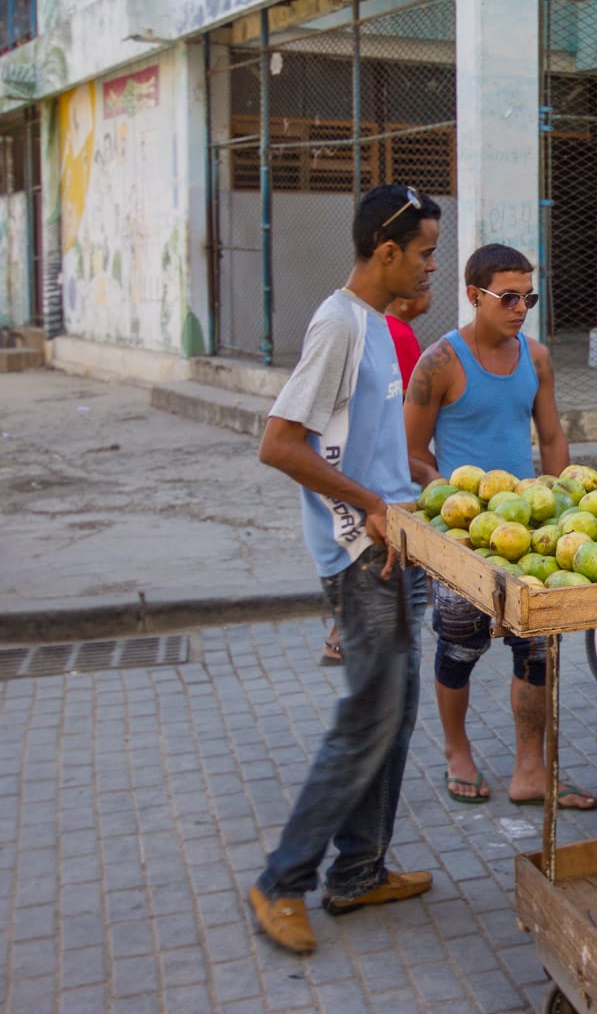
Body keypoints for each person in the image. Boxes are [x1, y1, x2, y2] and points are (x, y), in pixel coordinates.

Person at [250, 184, 440, 955]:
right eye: (425, 255)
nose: (433, 267)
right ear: (386, 253)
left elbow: (359, 430)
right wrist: (370, 502)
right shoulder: (337, 326)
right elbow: (280, 444)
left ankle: (358, 871)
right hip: (362, 558)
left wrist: (414, 482)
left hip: (396, 547)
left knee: (393, 718)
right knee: (366, 721)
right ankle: (280, 881)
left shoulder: (372, 324)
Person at [403, 244, 594, 810]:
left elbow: (553, 437)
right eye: (508, 297)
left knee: (536, 651)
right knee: (458, 649)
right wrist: (450, 502)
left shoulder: (535, 357)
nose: (520, 308)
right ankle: (457, 751)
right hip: (462, 536)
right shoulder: (440, 362)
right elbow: (411, 454)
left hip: (531, 531)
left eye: (528, 297)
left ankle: (529, 770)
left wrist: (568, 513)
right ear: (474, 296)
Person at [322, 284, 435, 667]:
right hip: (381, 519)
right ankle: (342, 635)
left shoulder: (379, 330)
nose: (430, 277)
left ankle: (342, 635)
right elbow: (398, 424)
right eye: (424, 259)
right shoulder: (390, 333)